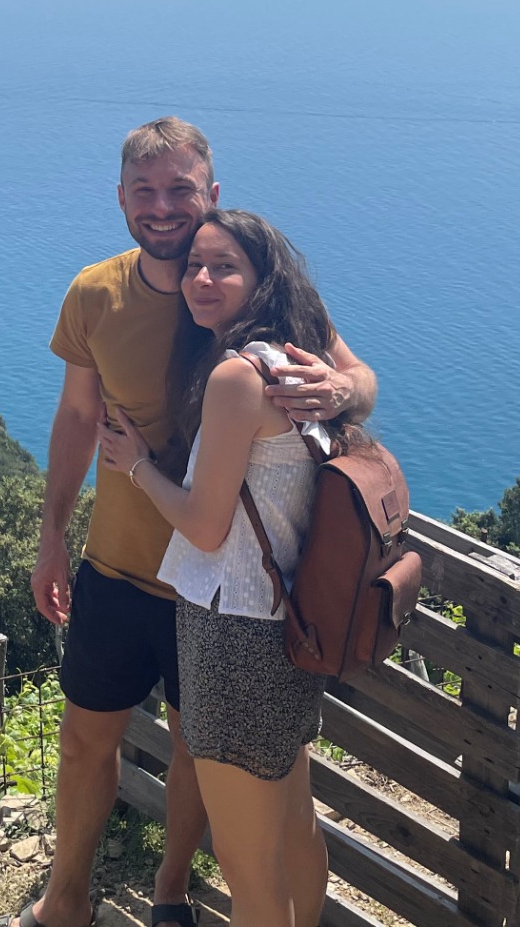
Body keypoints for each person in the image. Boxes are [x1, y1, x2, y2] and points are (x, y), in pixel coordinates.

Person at [10, 121, 374, 927]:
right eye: (145, 190)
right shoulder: (98, 294)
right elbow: (76, 418)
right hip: (122, 567)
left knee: (201, 758)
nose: (163, 207)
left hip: (218, 597)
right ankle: (65, 900)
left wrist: (344, 391)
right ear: (120, 199)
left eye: (181, 189)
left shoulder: (253, 295)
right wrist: (52, 537)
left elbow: (358, 377)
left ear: (211, 193)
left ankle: (170, 891)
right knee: (85, 740)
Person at [98, 209, 348, 927]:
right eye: (194, 266)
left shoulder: (237, 378)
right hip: (286, 628)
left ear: (262, 280)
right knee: (294, 824)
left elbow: (206, 528)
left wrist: (137, 466)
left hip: (232, 633)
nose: (202, 279)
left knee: (246, 864)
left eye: (225, 266)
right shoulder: (294, 362)